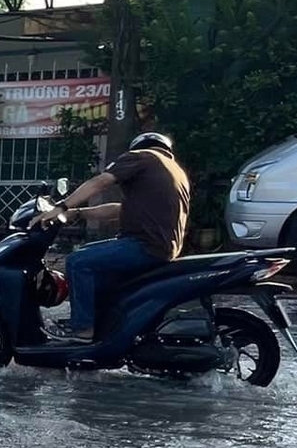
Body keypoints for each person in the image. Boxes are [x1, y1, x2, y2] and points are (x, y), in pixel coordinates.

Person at [35, 132, 190, 343]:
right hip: (161, 247)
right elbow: (120, 209)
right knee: (88, 255)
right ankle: (102, 323)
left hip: (145, 245)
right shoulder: (172, 170)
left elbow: (100, 182)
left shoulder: (142, 156)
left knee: (78, 262)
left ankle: (83, 330)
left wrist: (61, 206)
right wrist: (78, 213)